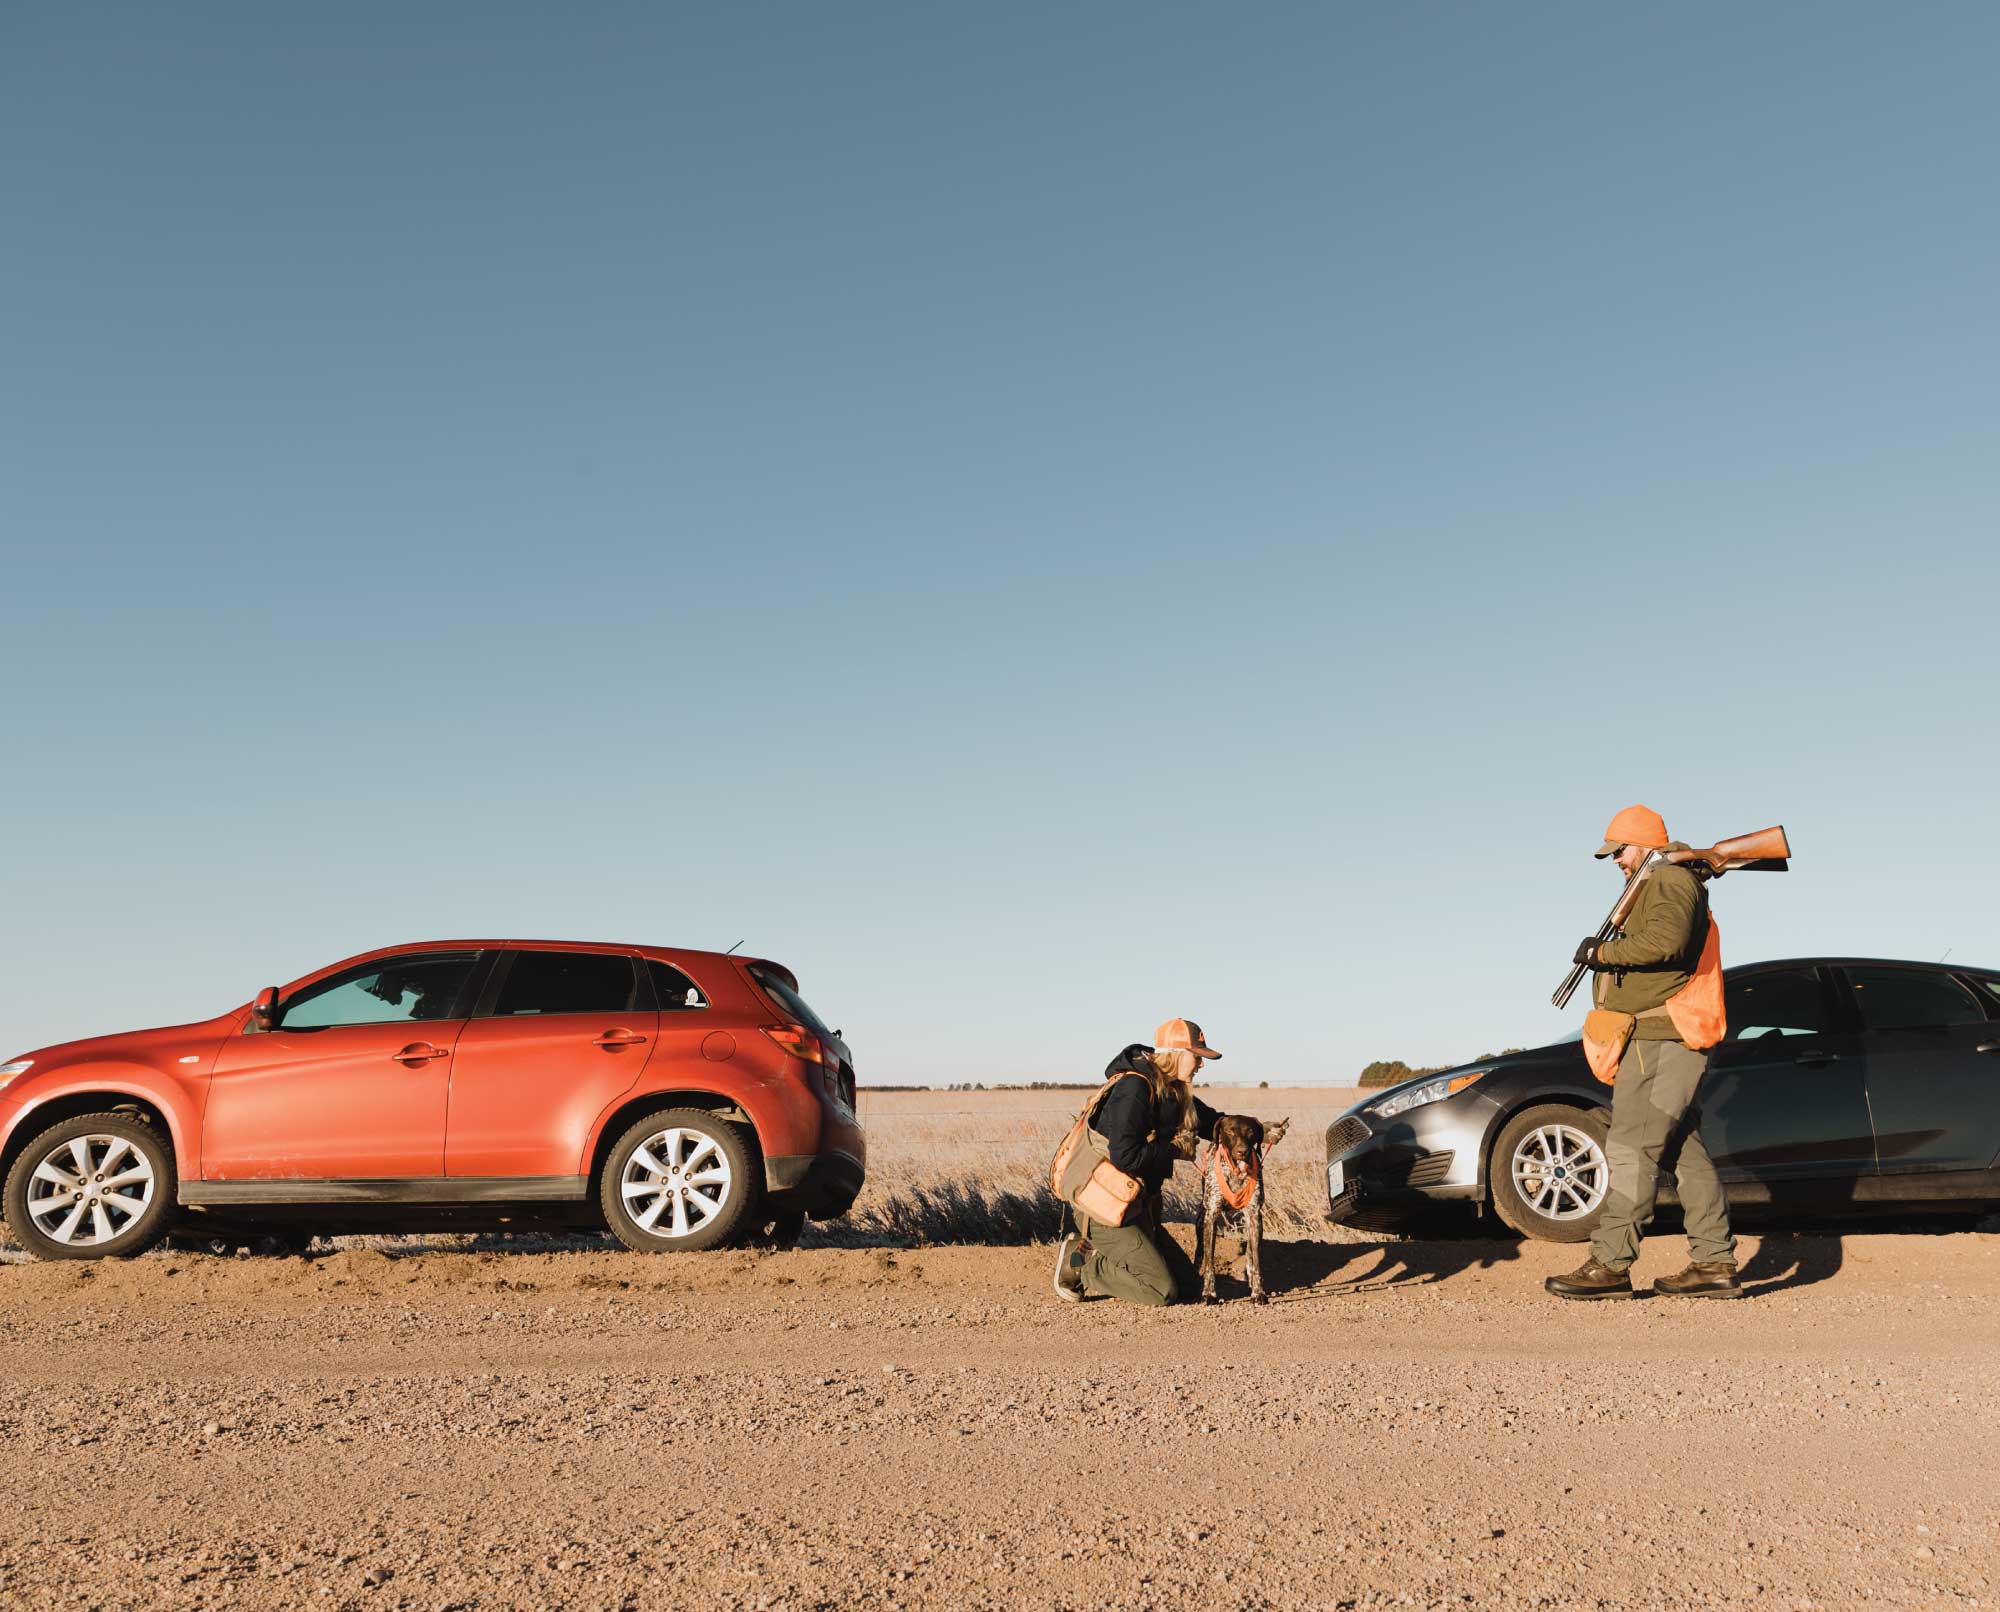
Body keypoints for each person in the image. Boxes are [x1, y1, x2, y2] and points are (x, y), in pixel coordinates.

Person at [1547, 805, 1740, 1301]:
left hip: (1659, 1038)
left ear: (1646, 844)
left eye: (1620, 851)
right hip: (1660, 1037)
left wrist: (1601, 953)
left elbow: (1667, 942)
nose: (1615, 861)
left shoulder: (1671, 879)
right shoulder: (1665, 879)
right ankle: (1713, 1263)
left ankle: (1610, 1264)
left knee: (1632, 1147)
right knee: (1681, 1150)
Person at [1052, 1018, 1224, 1306]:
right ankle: (1083, 1264)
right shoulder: (1134, 1089)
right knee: (1161, 1290)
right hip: (1104, 1210)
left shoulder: (1172, 1090)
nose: (1201, 1065)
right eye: (1197, 1057)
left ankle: (1084, 1248)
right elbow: (1126, 1156)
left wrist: (1252, 1130)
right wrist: (1172, 1149)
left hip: (1135, 1207)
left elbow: (1209, 1121)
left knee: (1191, 1288)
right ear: (1178, 1054)